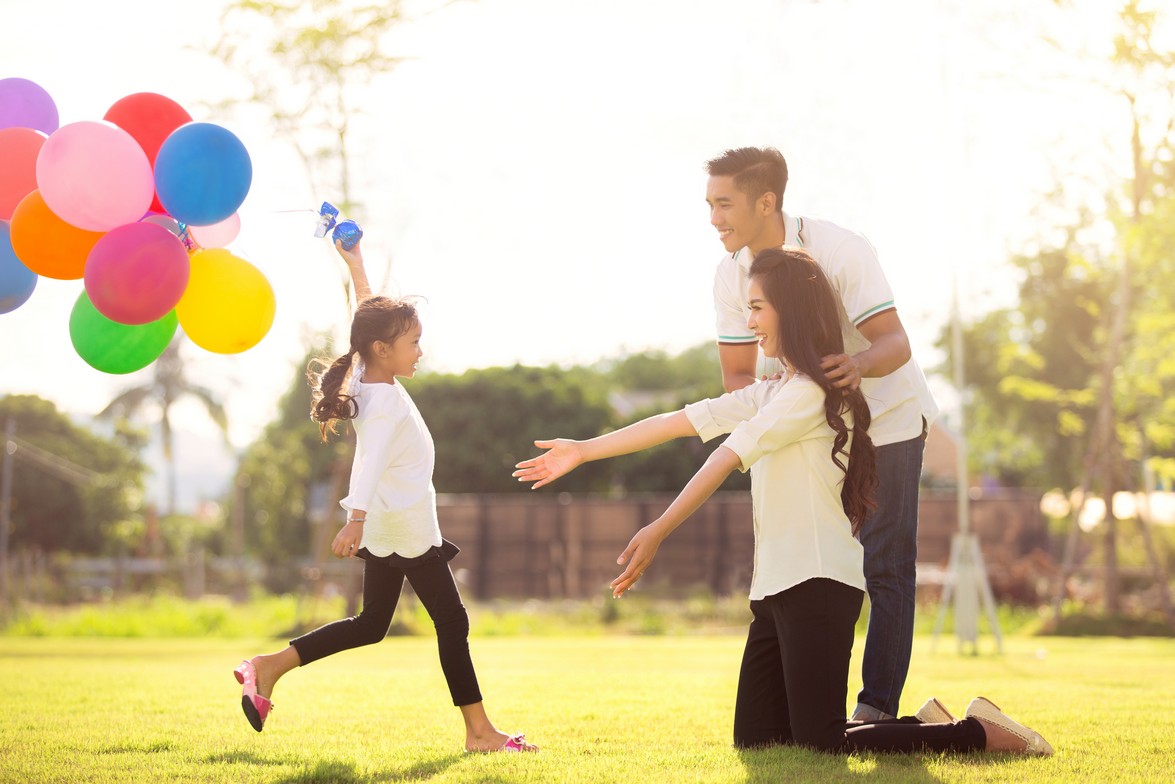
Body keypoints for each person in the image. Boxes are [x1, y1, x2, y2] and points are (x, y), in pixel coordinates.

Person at [514, 247, 1050, 756]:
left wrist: (658, 529)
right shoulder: (773, 389)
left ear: (788, 310)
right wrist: (583, 451)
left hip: (818, 583)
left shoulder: (808, 393)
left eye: (757, 307)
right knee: (758, 740)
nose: (749, 322)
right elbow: (676, 422)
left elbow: (724, 458)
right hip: (774, 587)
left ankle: (976, 734)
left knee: (822, 742)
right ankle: (922, 725)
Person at [234, 239, 537, 753]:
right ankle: (480, 733)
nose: (420, 350)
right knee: (450, 621)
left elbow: (366, 314)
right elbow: (368, 461)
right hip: (402, 527)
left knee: (372, 623)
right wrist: (354, 519)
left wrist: (355, 261)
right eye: (414, 342)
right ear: (384, 350)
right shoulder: (383, 407)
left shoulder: (363, 371)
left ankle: (267, 667)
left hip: (395, 522)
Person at [705, 146, 938, 722]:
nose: (714, 219)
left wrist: (856, 367)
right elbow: (738, 376)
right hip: (808, 427)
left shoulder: (840, 250)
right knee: (813, 556)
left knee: (884, 564)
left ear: (766, 202)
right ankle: (797, 702)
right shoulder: (730, 276)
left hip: (885, 421)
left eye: (724, 204)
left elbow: (895, 342)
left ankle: (876, 709)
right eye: (709, 205)